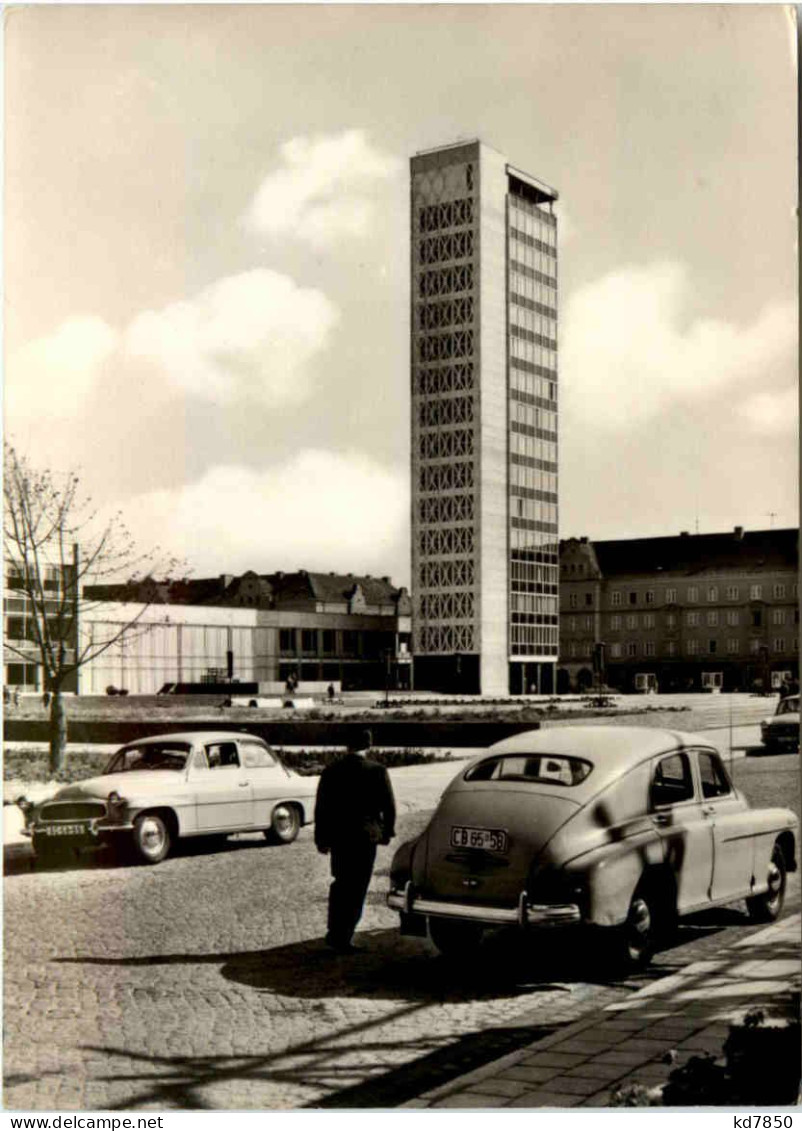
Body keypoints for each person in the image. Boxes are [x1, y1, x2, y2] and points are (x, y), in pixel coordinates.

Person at [314, 728, 396, 953]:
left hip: (340, 837)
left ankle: (335, 932)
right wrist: (387, 832)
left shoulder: (331, 771)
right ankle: (345, 935)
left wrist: (321, 839)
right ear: (368, 746)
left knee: (340, 883)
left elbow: (322, 808)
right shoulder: (377, 771)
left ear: (347, 746)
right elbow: (388, 806)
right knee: (358, 886)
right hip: (365, 838)